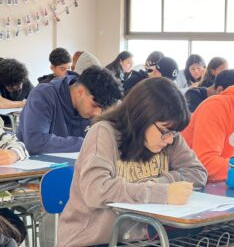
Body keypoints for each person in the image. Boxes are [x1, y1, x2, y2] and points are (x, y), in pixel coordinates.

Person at [57, 77, 208, 246]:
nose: (169, 140)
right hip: (92, 240)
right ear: (142, 117)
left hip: (141, 238)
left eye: (173, 133)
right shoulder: (104, 133)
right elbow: (96, 190)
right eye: (164, 132)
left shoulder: (169, 134)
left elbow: (198, 172)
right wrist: (162, 192)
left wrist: (161, 183)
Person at [17, 66, 122, 155]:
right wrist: (91, 143)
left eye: (103, 109)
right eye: (94, 105)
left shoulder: (91, 106)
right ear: (80, 92)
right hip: (36, 174)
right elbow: (35, 143)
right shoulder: (43, 95)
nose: (97, 113)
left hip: (80, 170)